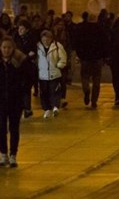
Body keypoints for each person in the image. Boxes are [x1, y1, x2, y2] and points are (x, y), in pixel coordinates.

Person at [0, 37, 35, 167]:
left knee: (14, 128)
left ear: (13, 48)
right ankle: (3, 154)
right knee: (1, 127)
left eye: (9, 47)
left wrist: (23, 89)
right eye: (4, 47)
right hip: (1, 100)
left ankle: (13, 154)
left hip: (15, 100)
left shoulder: (20, 61)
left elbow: (31, 75)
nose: (6, 50)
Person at [75, 12, 109, 109]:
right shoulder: (101, 29)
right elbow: (105, 43)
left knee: (85, 77)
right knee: (96, 79)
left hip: (85, 58)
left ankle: (86, 91)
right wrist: (104, 56)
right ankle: (94, 100)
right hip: (97, 59)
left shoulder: (82, 29)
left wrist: (80, 55)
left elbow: (79, 43)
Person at [36, 30, 68, 119]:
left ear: (51, 38)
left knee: (55, 91)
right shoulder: (38, 47)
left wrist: (59, 65)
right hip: (42, 75)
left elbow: (63, 57)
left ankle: (55, 107)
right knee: (44, 92)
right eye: (44, 39)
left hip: (54, 73)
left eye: (47, 39)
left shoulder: (57, 46)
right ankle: (47, 109)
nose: (46, 41)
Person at [12, 20, 38, 118]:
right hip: (16, 66)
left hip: (28, 67)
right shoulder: (15, 37)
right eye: (19, 28)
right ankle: (20, 107)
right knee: (18, 88)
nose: (20, 30)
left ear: (27, 30)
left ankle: (27, 108)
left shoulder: (31, 38)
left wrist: (27, 56)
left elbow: (33, 52)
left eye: (22, 28)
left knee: (26, 88)